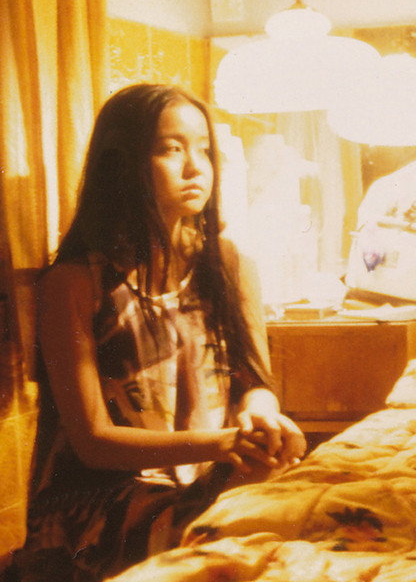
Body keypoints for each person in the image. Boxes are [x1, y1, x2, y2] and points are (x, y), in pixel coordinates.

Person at [15, 84, 307, 581]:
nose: (195, 167)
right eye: (171, 149)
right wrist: (221, 443)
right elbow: (93, 442)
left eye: (204, 150)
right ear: (122, 164)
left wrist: (260, 417)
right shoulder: (75, 282)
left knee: (304, 517)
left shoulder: (229, 263)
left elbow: (255, 381)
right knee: (236, 544)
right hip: (98, 498)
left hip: (204, 472)